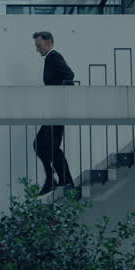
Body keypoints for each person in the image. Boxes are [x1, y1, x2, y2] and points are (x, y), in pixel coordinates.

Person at [32, 30, 75, 195]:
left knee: (49, 145)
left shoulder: (53, 56)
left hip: (58, 109)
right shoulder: (49, 58)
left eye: (39, 45)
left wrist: (60, 98)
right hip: (55, 109)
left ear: (49, 42)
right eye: (36, 46)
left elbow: (69, 75)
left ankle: (62, 179)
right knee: (42, 145)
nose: (37, 49)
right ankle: (55, 179)